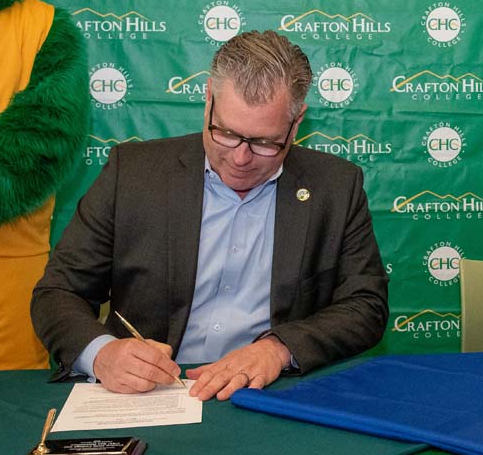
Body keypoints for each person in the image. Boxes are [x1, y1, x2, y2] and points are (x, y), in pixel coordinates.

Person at [31, 31, 388, 400]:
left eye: (264, 142)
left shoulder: (336, 186)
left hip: (274, 394)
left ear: (296, 123)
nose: (240, 158)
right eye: (226, 133)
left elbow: (366, 305)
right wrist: (101, 354)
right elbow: (58, 293)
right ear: (208, 101)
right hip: (151, 395)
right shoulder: (133, 174)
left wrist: (278, 349)